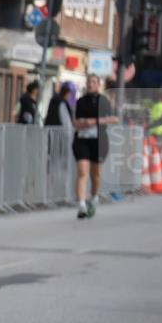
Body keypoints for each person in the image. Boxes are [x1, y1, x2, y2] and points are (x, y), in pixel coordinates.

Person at [72, 74, 117, 219]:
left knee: (95, 175)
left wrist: (94, 121)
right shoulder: (80, 101)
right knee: (82, 172)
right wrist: (79, 124)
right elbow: (76, 121)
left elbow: (114, 119)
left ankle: (94, 197)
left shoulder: (104, 101)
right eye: (88, 82)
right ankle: (82, 206)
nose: (90, 84)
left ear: (98, 85)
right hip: (82, 140)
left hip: (99, 141)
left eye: (93, 82)